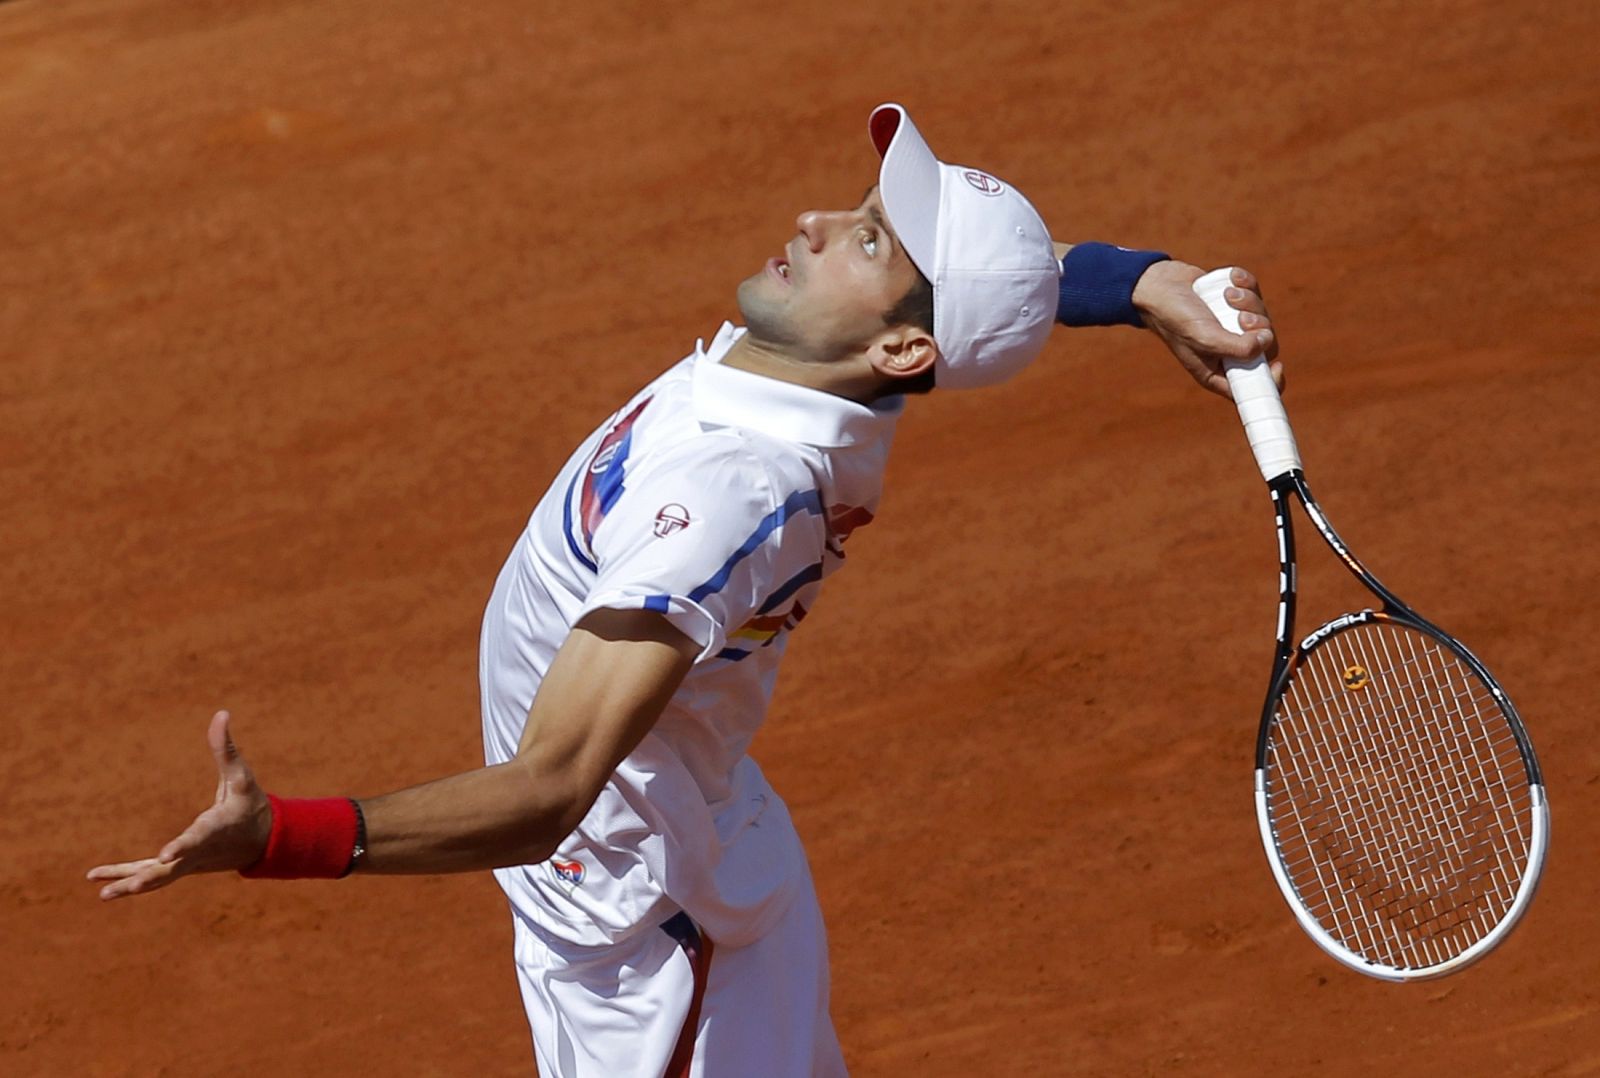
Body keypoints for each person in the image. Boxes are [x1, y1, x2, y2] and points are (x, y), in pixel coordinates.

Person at [87, 103, 1280, 1075]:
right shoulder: (825, 372)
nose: (814, 223)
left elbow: (550, 787)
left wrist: (278, 838)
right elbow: (984, 297)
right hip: (709, 839)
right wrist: (1135, 280)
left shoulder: (726, 491)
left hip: (642, 950)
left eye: (867, 239)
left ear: (902, 350)